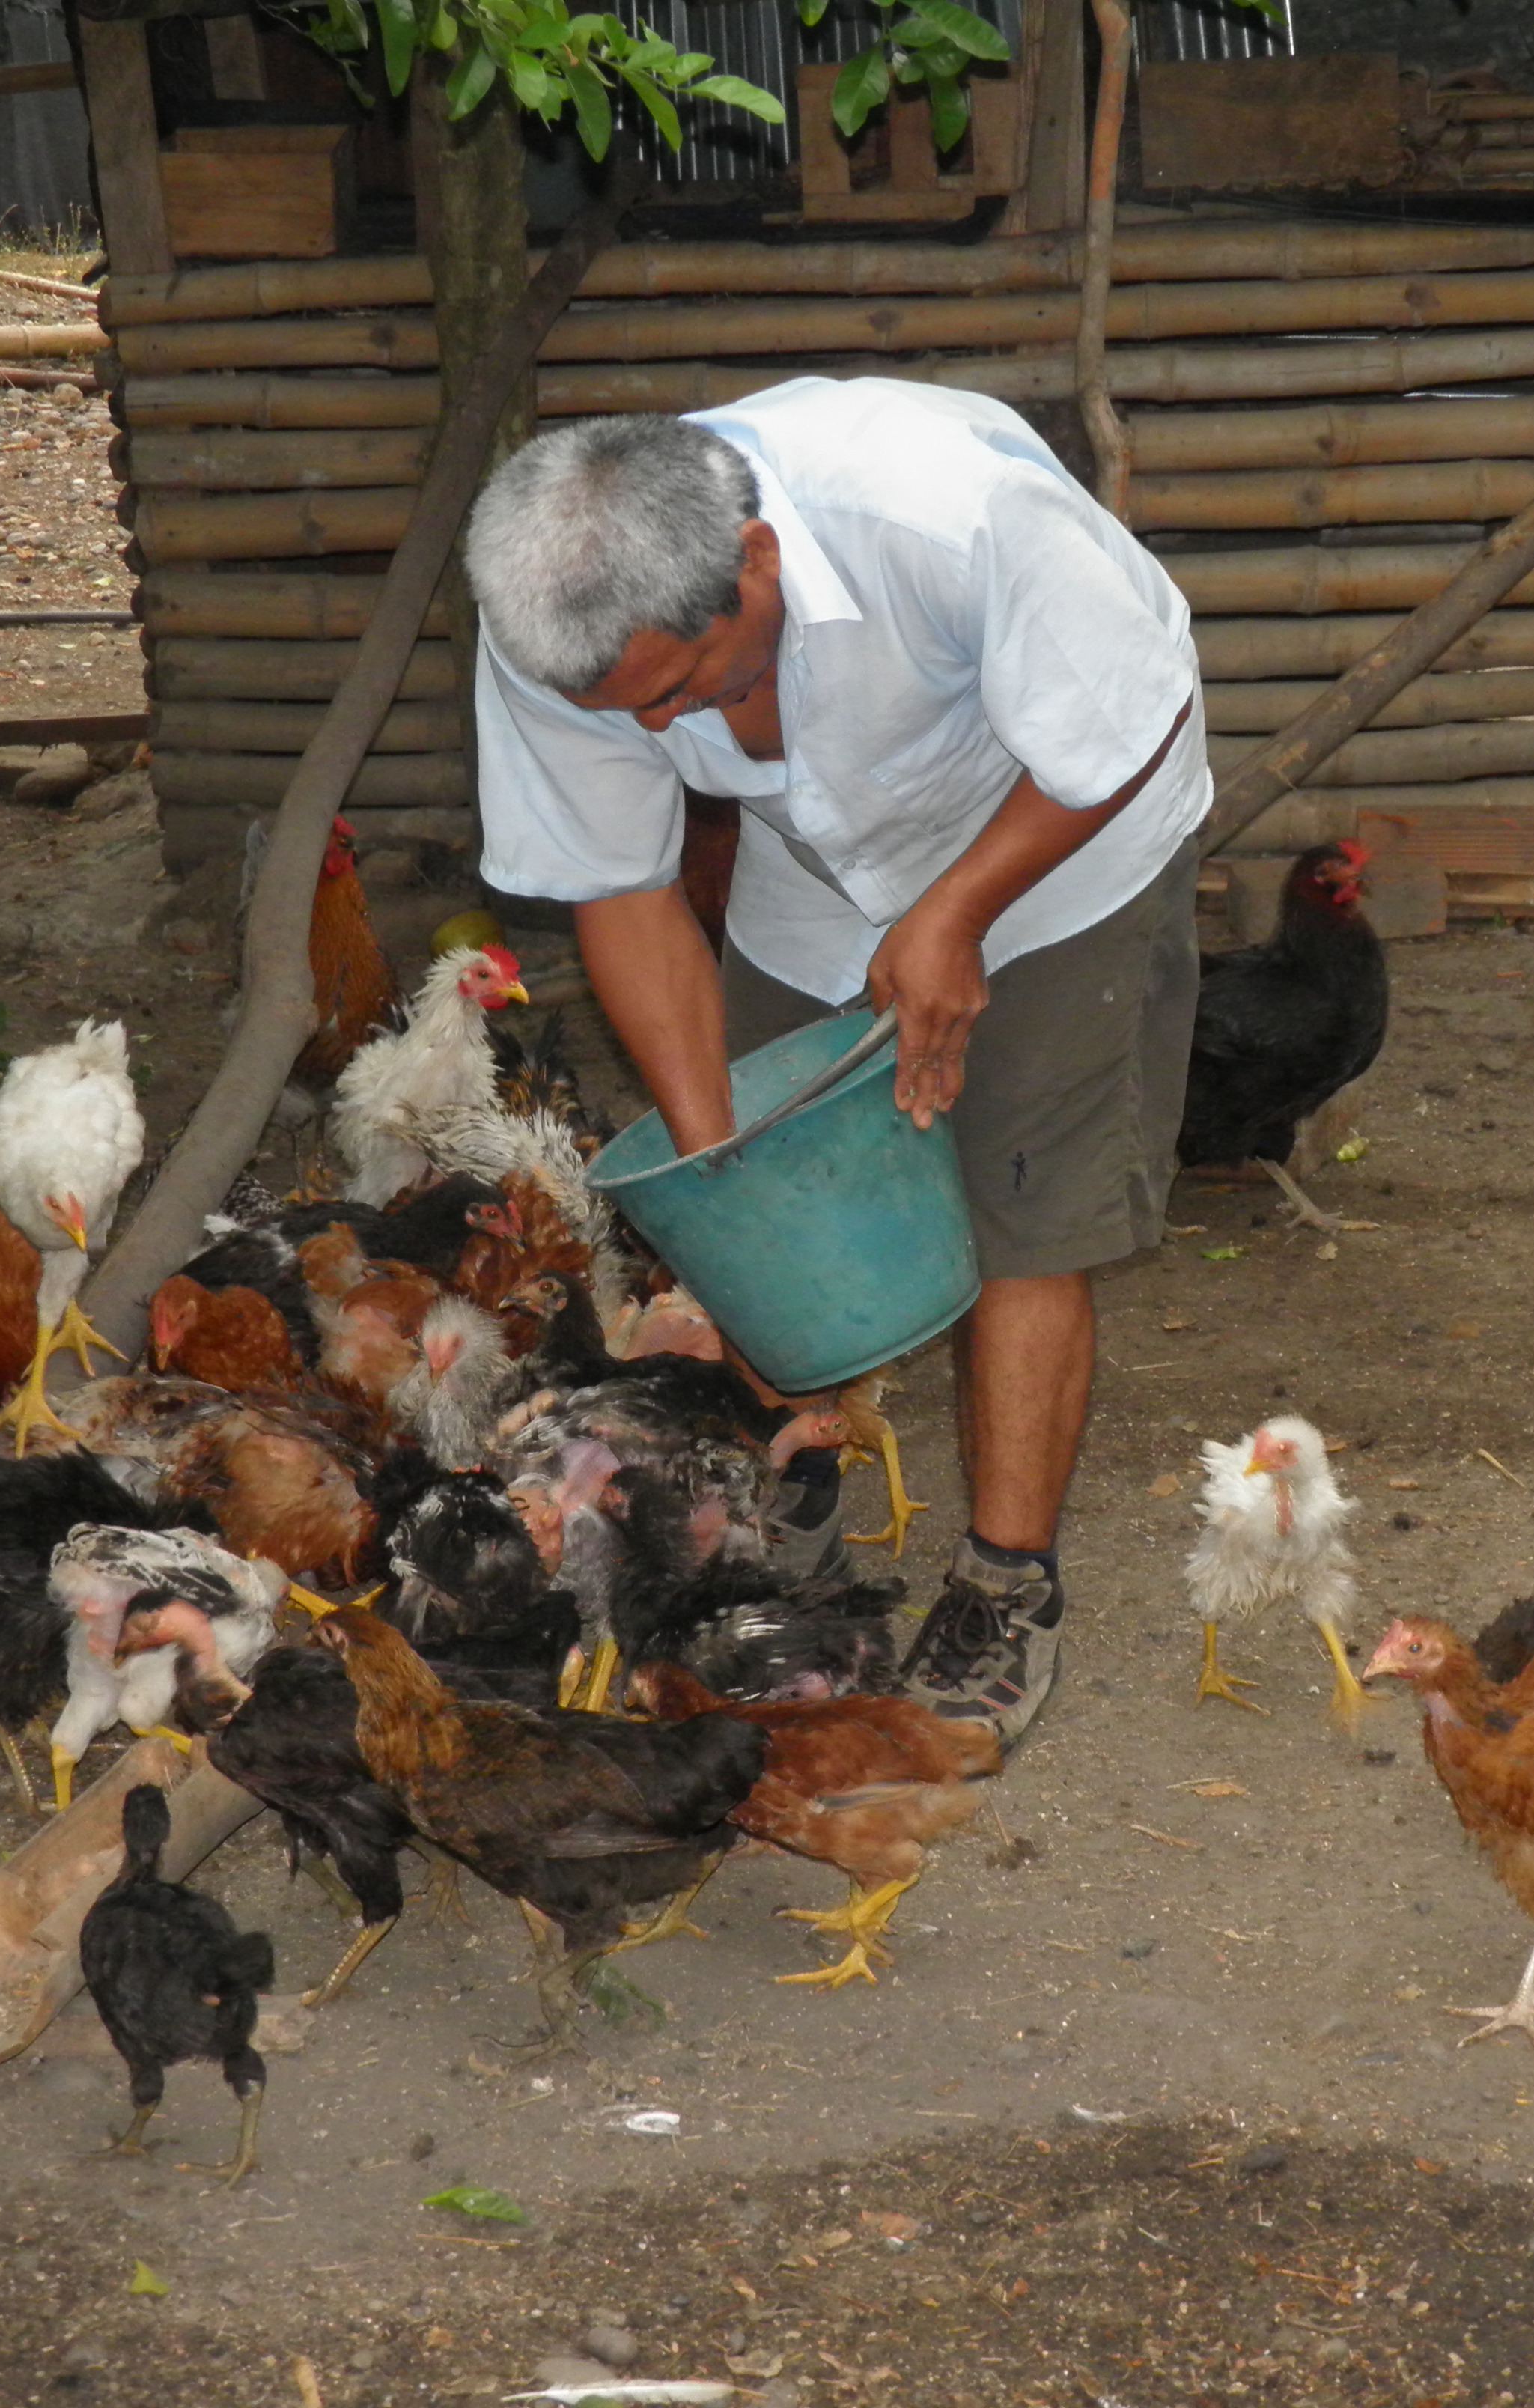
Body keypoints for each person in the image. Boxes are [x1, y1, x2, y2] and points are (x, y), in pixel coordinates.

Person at [462, 377, 1209, 1748]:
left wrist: (957, 914)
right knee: (764, 1190)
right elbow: (622, 887)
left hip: (1061, 836)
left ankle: (1005, 1585)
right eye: (626, 710)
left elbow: (1127, 720)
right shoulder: (561, 628)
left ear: (757, 560)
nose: (650, 732)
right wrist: (725, 1162)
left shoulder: (943, 515)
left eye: (680, 691)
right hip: (818, 866)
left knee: (1025, 1217)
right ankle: (787, 1480)